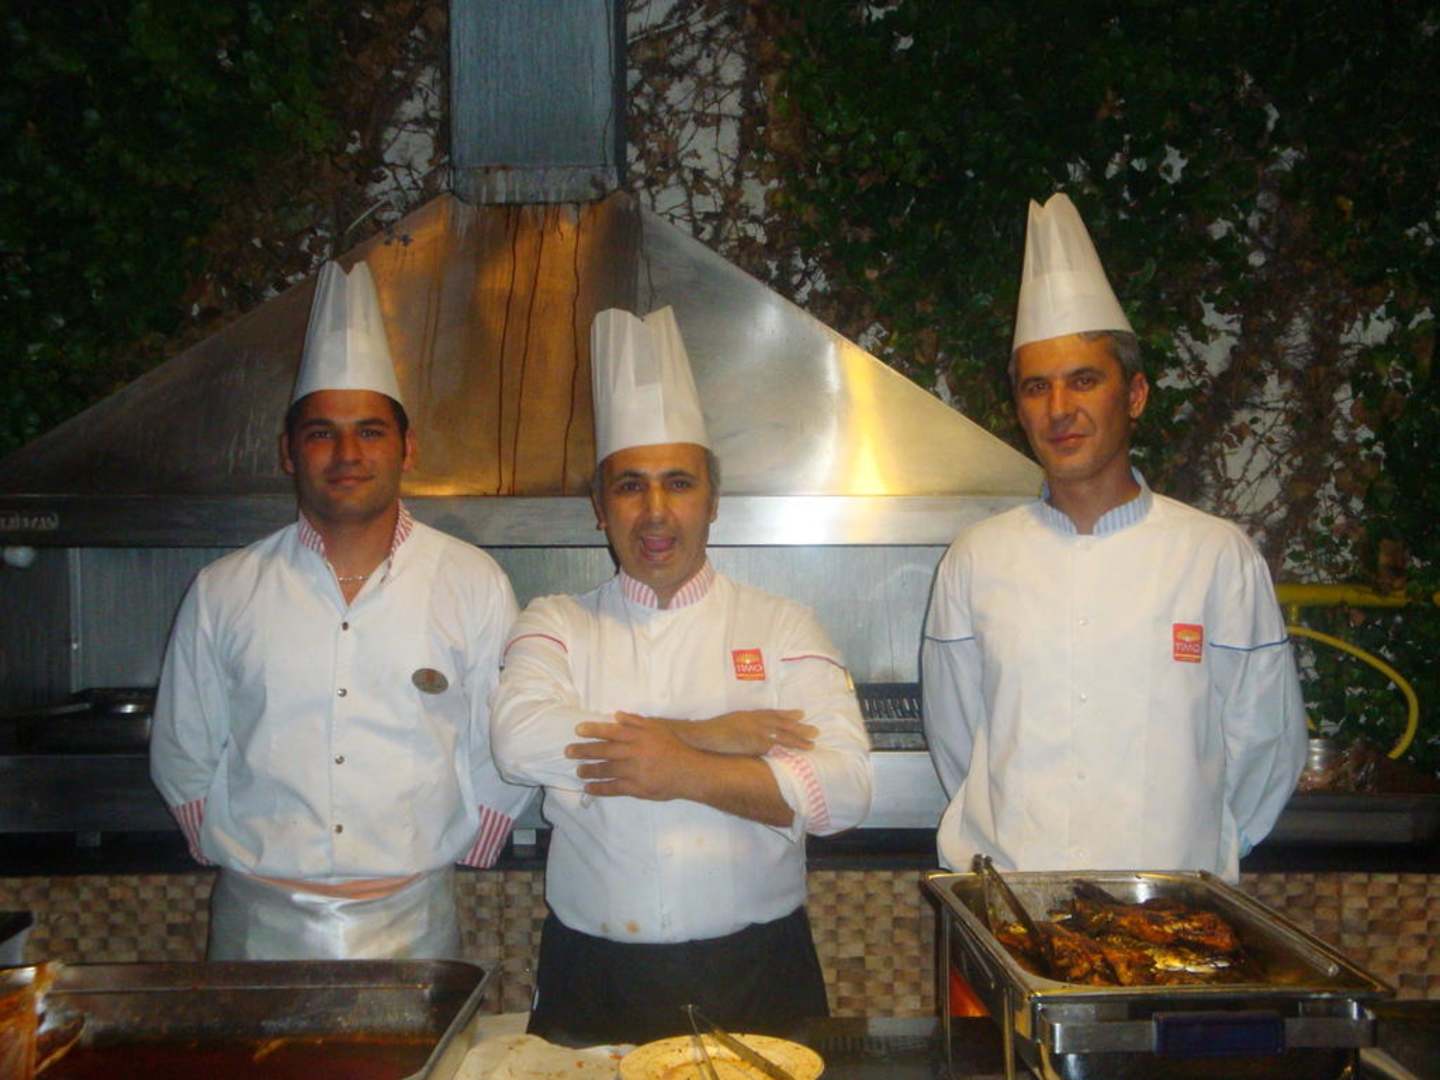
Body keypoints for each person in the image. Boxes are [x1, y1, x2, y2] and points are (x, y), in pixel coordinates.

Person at [490, 306, 873, 1045]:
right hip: (593, 977)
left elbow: (846, 787)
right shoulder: (557, 622)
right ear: (600, 507)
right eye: (631, 486)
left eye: (679, 483)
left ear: (713, 501)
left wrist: (680, 770)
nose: (656, 512)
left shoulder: (783, 627)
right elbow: (519, 742)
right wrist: (713, 736)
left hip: (759, 971)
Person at [149, 260, 533, 960]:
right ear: (289, 453)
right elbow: (183, 746)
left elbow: (500, 739)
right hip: (259, 921)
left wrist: (472, 842)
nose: (348, 453)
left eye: (371, 431)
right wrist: (231, 847)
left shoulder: (472, 582)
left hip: (415, 921)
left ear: (407, 448)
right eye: (322, 433)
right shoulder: (224, 589)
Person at [922, 193, 1307, 883]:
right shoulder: (975, 561)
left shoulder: (1216, 558)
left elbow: (1265, 746)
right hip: (1013, 911)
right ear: (1019, 408)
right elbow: (957, 743)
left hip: (1167, 911)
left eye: (1084, 381)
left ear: (1133, 396)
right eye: (1036, 387)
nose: (1059, 409)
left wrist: (1192, 857)